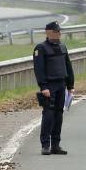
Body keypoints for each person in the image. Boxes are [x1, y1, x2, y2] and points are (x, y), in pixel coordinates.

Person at [33, 21, 75, 155]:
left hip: (61, 84)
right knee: (49, 114)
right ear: (49, 32)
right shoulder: (41, 48)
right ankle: (46, 145)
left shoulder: (63, 46)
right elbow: (39, 69)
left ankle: (56, 145)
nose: (59, 33)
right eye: (57, 31)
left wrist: (70, 85)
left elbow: (68, 66)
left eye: (59, 31)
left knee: (59, 115)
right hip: (49, 86)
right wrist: (43, 86)